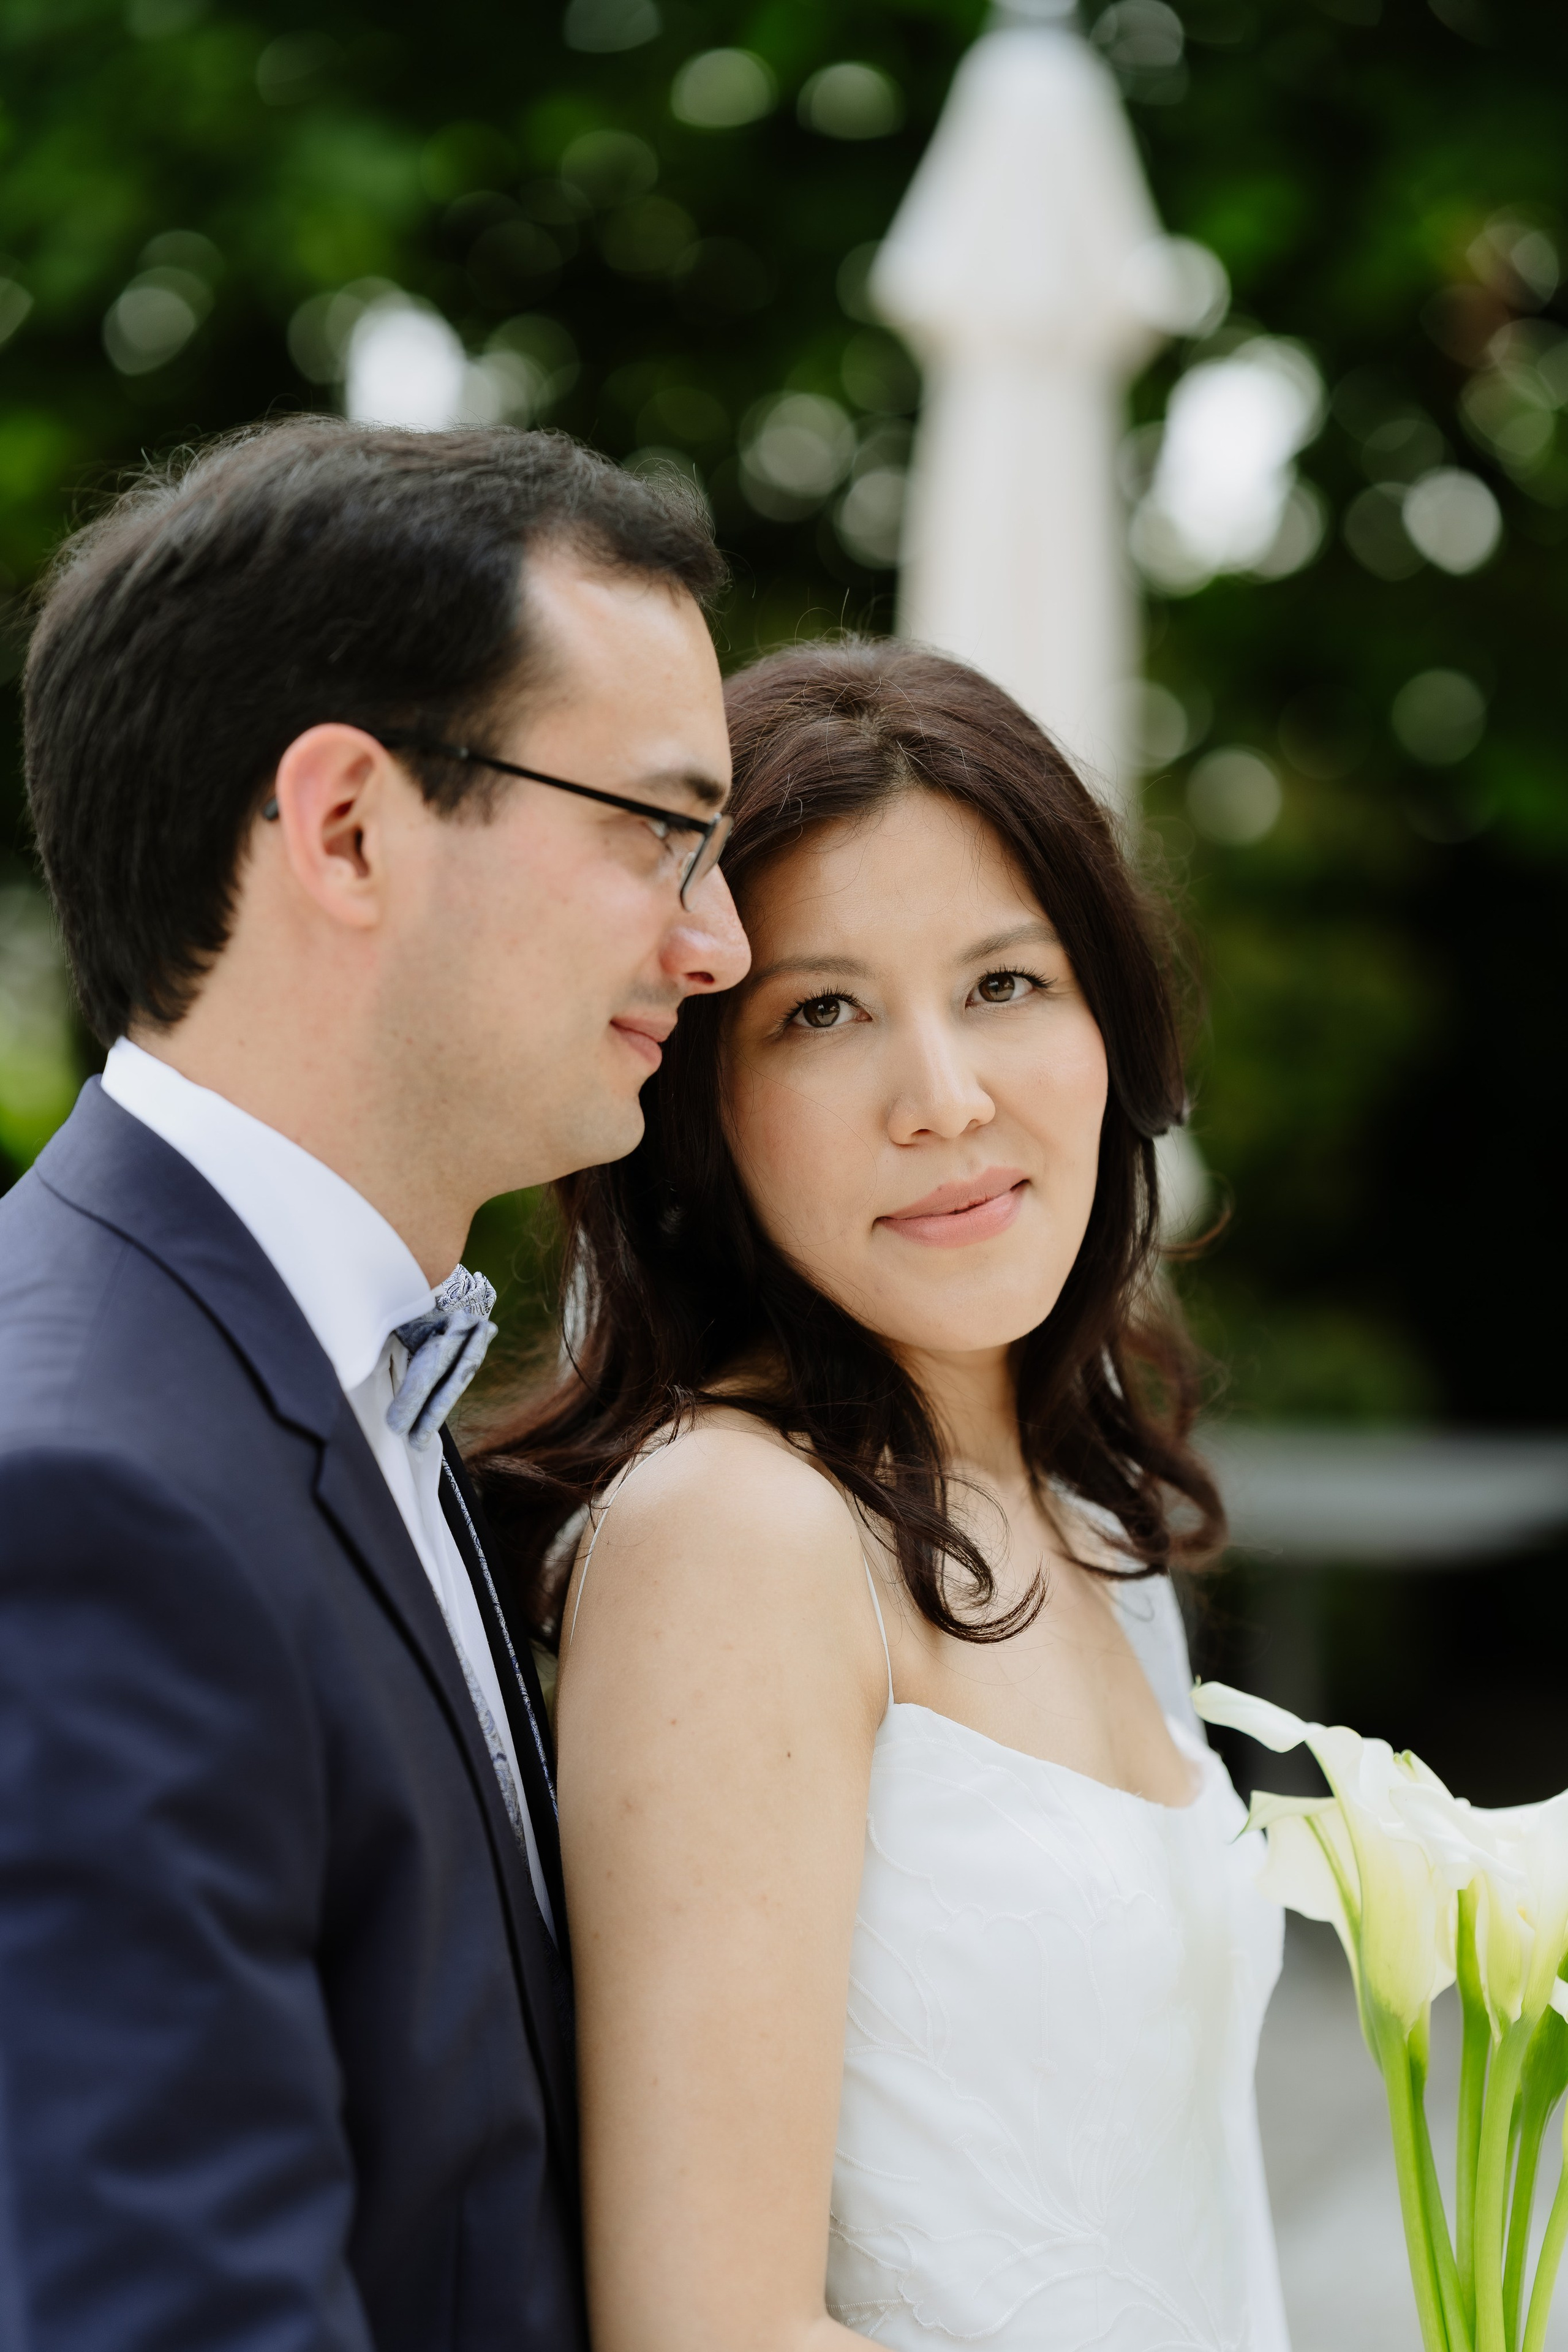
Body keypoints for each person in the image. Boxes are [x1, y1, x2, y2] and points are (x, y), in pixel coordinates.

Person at [0, 418, 750, 2351]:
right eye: (657, 830)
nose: (718, 940)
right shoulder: (83, 1496)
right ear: (344, 826)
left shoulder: (320, 1391)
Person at [473, 641, 1292, 2352]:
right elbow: (712, 2329)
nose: (946, 1099)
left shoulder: (1080, 1512)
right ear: (703, 1102)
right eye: (823, 1014)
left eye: (1006, 984)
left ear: (1109, 1024)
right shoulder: (736, 1533)